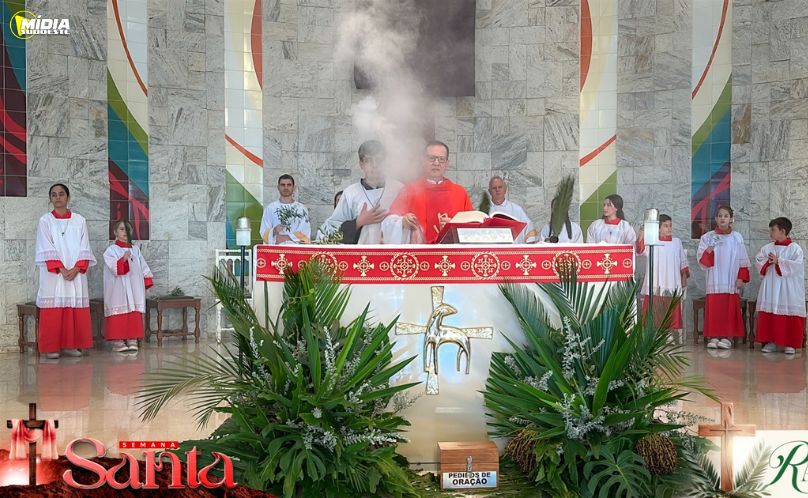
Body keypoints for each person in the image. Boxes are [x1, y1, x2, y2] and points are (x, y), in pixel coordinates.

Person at [35, 183, 97, 359]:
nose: (58, 197)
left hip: (75, 270)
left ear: (68, 197)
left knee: (73, 304)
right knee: (54, 306)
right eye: (54, 195)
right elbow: (45, 245)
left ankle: (71, 345)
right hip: (54, 273)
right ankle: (51, 347)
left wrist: (77, 268)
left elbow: (85, 245)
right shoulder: (45, 221)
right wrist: (61, 269)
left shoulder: (79, 220)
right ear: (50, 199)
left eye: (61, 194)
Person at [382, 141, 473, 244]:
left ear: (447, 164)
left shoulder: (459, 193)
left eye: (441, 159)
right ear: (423, 161)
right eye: (431, 158)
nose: (436, 163)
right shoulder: (410, 190)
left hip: (452, 256)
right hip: (419, 256)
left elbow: (473, 227)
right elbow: (388, 222)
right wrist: (402, 222)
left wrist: (454, 225)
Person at [317, 140, 403, 244]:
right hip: (360, 257)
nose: (374, 165)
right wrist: (358, 222)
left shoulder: (398, 189)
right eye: (368, 160)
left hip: (393, 256)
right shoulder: (351, 193)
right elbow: (330, 231)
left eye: (379, 160)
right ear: (361, 164)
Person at [697, 205, 751, 349]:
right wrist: (708, 251)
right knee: (715, 309)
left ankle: (728, 337)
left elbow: (743, 259)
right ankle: (713, 336)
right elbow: (702, 261)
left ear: (731, 219)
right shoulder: (707, 237)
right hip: (714, 279)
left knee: (729, 309)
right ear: (716, 219)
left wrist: (741, 277)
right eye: (720, 216)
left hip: (730, 279)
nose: (722, 218)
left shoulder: (736, 237)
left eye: (726, 216)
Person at [755, 217, 805, 354]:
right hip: (771, 285)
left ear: (783, 231)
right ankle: (771, 341)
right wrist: (767, 262)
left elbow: (797, 266)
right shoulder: (768, 247)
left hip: (788, 288)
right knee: (771, 309)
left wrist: (779, 261)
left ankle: (790, 343)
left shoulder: (795, 249)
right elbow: (758, 260)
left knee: (787, 311)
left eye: (773, 230)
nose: (770, 233)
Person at [103, 220, 154, 353]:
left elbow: (142, 266)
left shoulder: (135, 249)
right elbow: (114, 268)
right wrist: (123, 260)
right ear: (115, 232)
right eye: (121, 229)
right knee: (119, 309)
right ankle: (118, 340)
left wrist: (147, 279)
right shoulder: (111, 250)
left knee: (134, 308)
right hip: (118, 288)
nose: (125, 232)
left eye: (128, 229)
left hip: (134, 285)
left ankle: (132, 338)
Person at [636, 214, 689, 331]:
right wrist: (642, 230)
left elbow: (683, 262)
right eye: (665, 226)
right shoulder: (652, 241)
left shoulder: (677, 242)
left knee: (670, 305)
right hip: (655, 280)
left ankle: (668, 333)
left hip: (672, 280)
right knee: (654, 305)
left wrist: (684, 277)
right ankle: (654, 332)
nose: (669, 228)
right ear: (658, 228)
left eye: (670, 226)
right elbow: (640, 249)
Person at [260, 174, 311, 244]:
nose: (286, 187)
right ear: (278, 187)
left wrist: (285, 237)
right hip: (276, 249)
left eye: (289, 185)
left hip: (296, 250)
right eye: (283, 185)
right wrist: (274, 230)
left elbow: (305, 231)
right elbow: (264, 231)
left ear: (294, 187)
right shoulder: (270, 208)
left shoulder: (301, 209)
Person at [487, 176, 534, 243]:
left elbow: (529, 228)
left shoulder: (517, 210)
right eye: (494, 188)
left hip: (512, 251)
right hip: (491, 251)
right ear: (489, 191)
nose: (497, 190)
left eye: (500, 187)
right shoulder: (483, 212)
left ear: (505, 189)